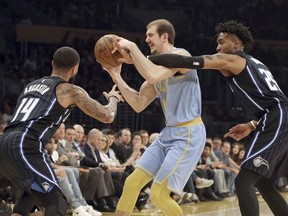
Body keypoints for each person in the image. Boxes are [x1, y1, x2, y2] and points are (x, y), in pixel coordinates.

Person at [140, 20, 288, 216]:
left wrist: (138, 58)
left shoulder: (233, 59)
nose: (217, 47)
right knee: (263, 182)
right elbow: (273, 101)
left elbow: (186, 62)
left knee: (243, 182)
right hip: (277, 117)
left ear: (236, 44)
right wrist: (252, 124)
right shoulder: (254, 63)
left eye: (221, 42)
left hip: (276, 118)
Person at [0, 46, 123, 216]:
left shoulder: (30, 85)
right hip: (25, 143)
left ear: (52, 63)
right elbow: (108, 116)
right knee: (56, 201)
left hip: (5, 140)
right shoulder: (69, 90)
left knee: (31, 193)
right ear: (75, 69)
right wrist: (114, 99)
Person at [105, 19, 206, 216]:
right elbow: (137, 104)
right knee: (132, 183)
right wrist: (116, 76)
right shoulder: (155, 71)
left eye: (150, 35)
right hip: (169, 133)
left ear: (164, 36)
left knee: (159, 195)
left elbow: (152, 74)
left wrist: (133, 50)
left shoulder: (182, 55)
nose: (146, 39)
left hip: (188, 133)